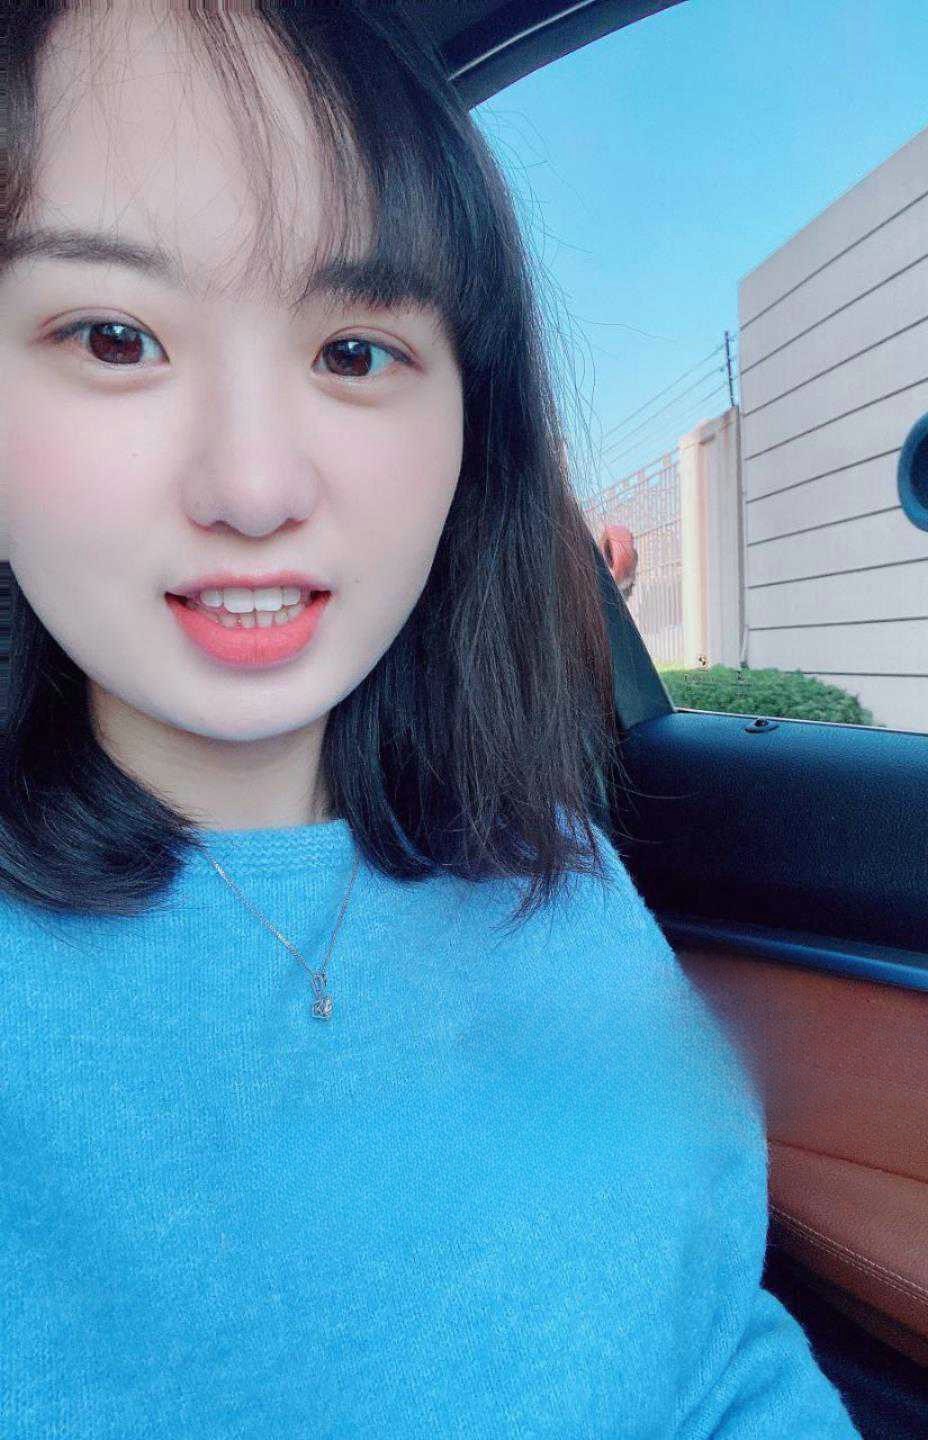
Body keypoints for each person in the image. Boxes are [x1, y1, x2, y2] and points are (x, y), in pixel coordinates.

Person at [0, 2, 862, 1435]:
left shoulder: (552, 871)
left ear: (473, 422)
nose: (255, 487)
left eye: (353, 353)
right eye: (114, 335)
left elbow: (714, 1347)